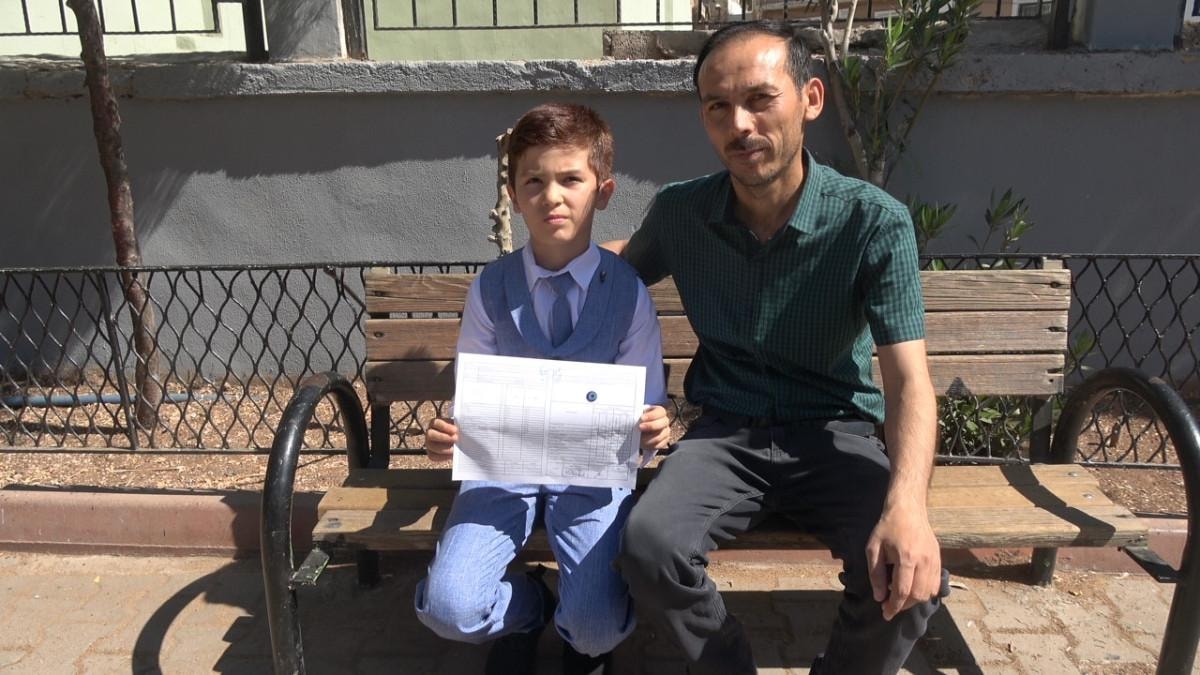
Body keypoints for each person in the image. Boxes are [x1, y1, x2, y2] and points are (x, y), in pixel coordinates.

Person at [606, 21, 947, 675]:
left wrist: (908, 507)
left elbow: (908, 380)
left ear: (810, 99)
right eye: (718, 106)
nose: (740, 125)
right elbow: (615, 272)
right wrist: (533, 266)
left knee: (908, 577)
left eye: (760, 99)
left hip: (835, 434)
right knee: (648, 548)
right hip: (724, 435)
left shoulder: (872, 222)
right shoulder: (682, 214)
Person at [413, 102, 671, 675]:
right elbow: (471, 401)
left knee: (597, 628)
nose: (552, 196)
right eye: (533, 180)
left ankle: (580, 630)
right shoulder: (491, 289)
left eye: (570, 179)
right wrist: (448, 436)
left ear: (603, 192)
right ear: (513, 194)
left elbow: (644, 411)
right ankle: (530, 608)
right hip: (502, 471)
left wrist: (651, 428)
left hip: (591, 476)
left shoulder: (628, 294)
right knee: (450, 609)